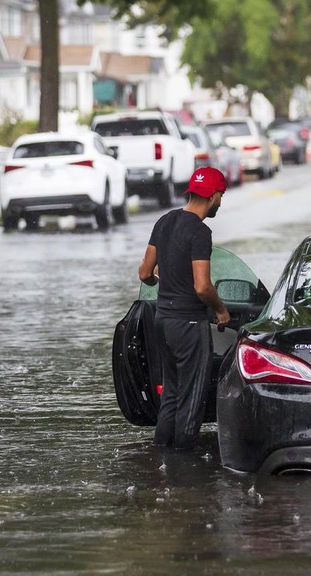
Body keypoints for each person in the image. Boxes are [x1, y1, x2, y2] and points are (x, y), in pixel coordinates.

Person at [138, 167, 231, 450]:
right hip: (188, 324)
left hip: (162, 320)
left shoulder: (164, 221)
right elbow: (202, 287)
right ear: (213, 196)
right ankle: (183, 466)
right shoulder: (200, 232)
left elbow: (144, 273)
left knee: (172, 394)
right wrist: (222, 310)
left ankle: (161, 455)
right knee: (192, 397)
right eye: (221, 196)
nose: (220, 202)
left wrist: (160, 280)